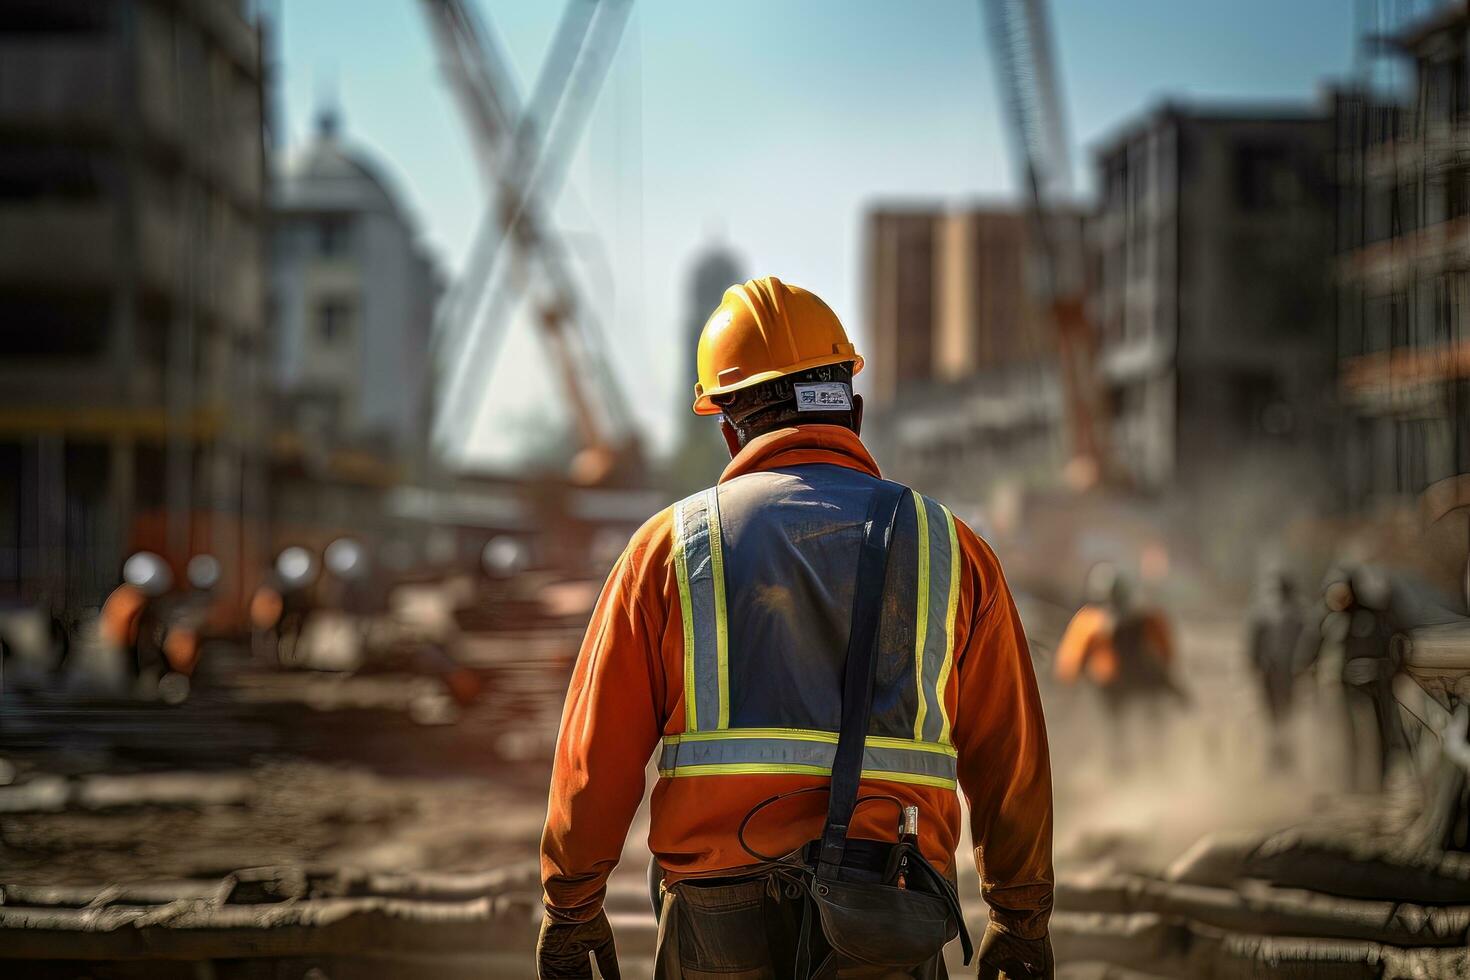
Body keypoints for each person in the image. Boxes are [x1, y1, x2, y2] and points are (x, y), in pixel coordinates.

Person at [537, 277, 1054, 979]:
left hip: (718, 916)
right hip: (890, 914)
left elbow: (594, 754)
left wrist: (571, 903)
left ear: (728, 428)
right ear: (855, 410)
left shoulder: (670, 547)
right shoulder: (952, 548)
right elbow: (1009, 753)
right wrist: (1020, 915)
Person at [1053, 562, 1183, 771]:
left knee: (1117, 729)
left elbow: (1068, 664)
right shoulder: (1146, 617)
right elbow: (1165, 651)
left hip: (1108, 684)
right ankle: (1154, 760)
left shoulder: (1087, 622)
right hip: (1141, 680)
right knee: (1151, 718)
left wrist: (1068, 687)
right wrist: (1166, 675)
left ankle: (1123, 765)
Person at [1246, 569, 1309, 770]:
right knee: (1273, 716)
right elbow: (1254, 643)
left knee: (1287, 714)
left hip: (1291, 672)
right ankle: (1275, 758)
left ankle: (1288, 758)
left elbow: (1308, 643)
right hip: (1271, 672)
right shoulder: (1264, 614)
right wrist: (1255, 664)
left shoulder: (1299, 614)